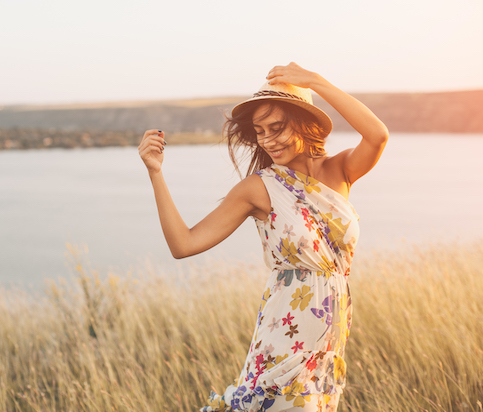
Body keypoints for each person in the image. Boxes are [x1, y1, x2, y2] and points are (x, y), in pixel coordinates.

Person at [138, 62, 388, 412]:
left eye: (277, 127)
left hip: (328, 344)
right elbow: (184, 244)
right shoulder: (259, 188)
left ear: (305, 123)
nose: (268, 140)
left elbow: (377, 135)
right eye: (260, 131)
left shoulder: (340, 170)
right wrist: (155, 174)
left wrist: (315, 81)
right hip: (284, 335)